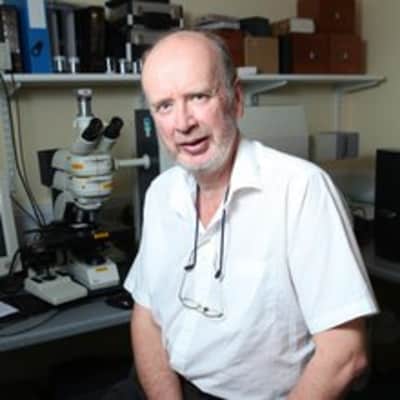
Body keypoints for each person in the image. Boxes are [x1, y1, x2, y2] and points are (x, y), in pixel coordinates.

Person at [123, 30, 379, 400]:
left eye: (198, 97)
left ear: (236, 100)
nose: (182, 123)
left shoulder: (301, 190)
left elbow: (345, 354)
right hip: (165, 384)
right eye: (164, 106)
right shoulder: (161, 194)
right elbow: (146, 316)